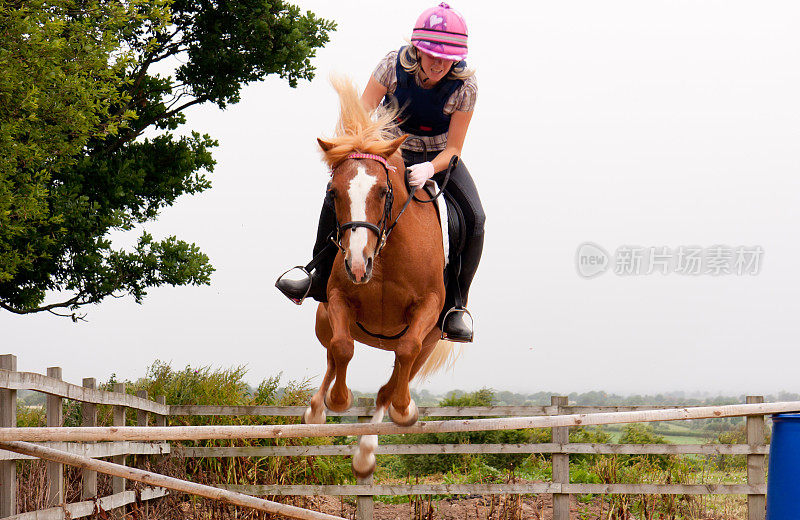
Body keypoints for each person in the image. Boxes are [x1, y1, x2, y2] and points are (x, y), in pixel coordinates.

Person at [276, 3, 485, 342]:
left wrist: (430, 168)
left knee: (476, 218)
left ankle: (457, 306)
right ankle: (314, 272)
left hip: (437, 155)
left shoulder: (465, 86)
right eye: (431, 54)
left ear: (457, 59)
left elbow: (454, 150)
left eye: (446, 58)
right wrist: (359, 153)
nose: (437, 64)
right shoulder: (392, 65)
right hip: (386, 145)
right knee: (342, 193)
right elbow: (359, 115)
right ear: (417, 48)